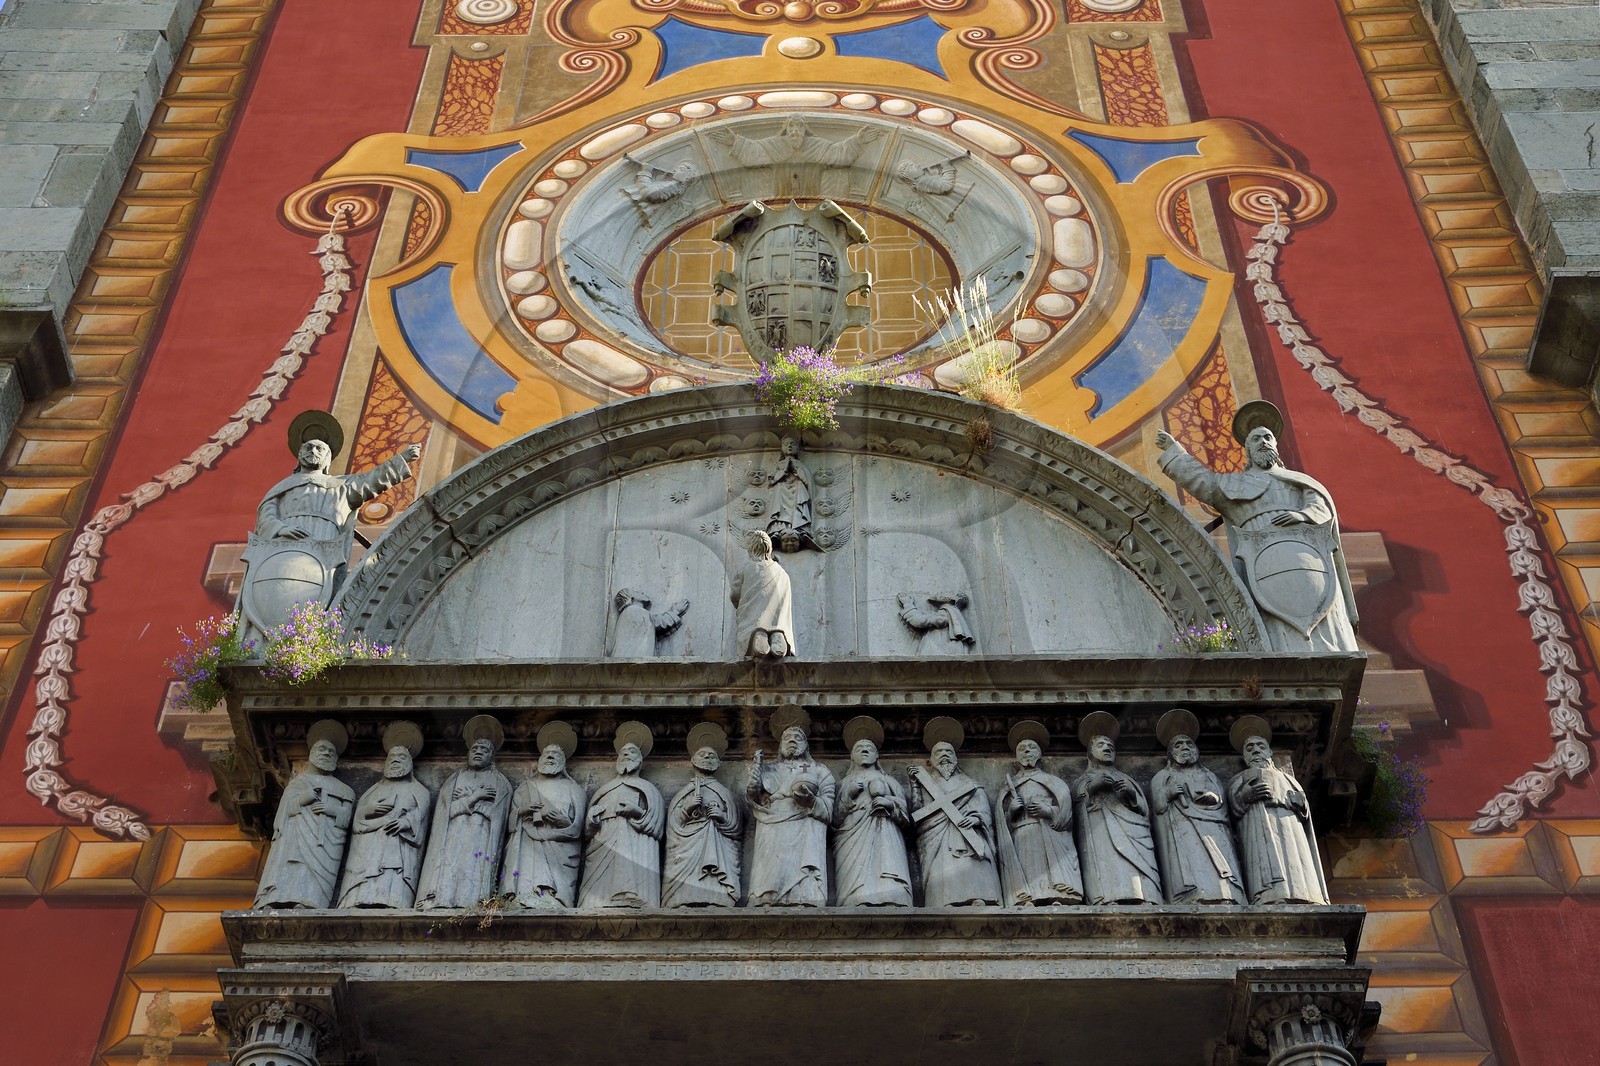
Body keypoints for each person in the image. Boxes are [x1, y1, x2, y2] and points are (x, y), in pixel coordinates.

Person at [1154, 401, 1356, 653]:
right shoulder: (1235, 485)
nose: (1263, 441)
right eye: (1256, 439)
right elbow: (1203, 482)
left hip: (1309, 562)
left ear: (1275, 444)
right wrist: (1175, 452)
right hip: (1261, 569)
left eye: (1268, 437)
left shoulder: (1301, 482)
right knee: (1272, 628)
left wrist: (1303, 516)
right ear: (1247, 450)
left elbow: (1321, 505)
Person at [1227, 719, 1328, 905]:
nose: (1255, 750)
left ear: (1270, 752)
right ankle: (1269, 896)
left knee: (1295, 859)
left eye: (1260, 746)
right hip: (1258, 826)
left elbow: (1304, 811)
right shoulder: (1239, 779)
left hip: (1289, 827)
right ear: (1243, 757)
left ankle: (1304, 894)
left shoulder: (1288, 778)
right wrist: (1246, 796)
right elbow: (1234, 805)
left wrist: (1301, 804)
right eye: (1249, 748)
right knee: (1264, 861)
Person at [416, 719, 512, 910]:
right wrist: (476, 798)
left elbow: (498, 820)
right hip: (452, 836)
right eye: (474, 749)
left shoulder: (500, 783)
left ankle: (473, 904)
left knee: (474, 867)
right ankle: (442, 899)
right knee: (450, 865)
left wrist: (467, 803)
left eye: (483, 751)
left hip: (481, 838)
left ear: (491, 757)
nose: (478, 752)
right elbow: (447, 812)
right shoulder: (454, 780)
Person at [1150, 710, 1244, 905]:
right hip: (1182, 828)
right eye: (1179, 745)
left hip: (1214, 827)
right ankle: (1191, 895)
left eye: (1189, 744)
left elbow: (1223, 804)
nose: (1185, 747)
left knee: (1221, 862)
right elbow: (1158, 808)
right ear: (1171, 754)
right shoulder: (1163, 777)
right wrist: (1167, 793)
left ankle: (1226, 894)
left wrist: (1215, 799)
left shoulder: (1209, 775)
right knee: (1190, 860)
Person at [254, 726, 355, 909]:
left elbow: (347, 817)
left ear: (337, 758)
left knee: (312, 871)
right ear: (311, 755)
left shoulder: (345, 790)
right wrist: (303, 798)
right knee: (291, 862)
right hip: (295, 835)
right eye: (321, 750)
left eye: (331, 751)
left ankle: (309, 901)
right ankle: (276, 900)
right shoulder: (299, 782)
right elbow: (284, 812)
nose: (326, 753)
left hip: (325, 843)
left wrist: (333, 810)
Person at [1073, 714, 1161, 905]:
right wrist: (1094, 786)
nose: (1107, 747)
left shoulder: (1126, 779)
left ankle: (1145, 897)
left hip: (1132, 831)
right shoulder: (1085, 779)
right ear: (1089, 754)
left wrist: (1131, 793)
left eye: (1110, 746)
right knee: (1110, 861)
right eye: (1101, 745)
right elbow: (1078, 800)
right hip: (1102, 829)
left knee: (1136, 866)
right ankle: (1110, 897)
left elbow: (1145, 811)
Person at [747, 724, 835, 906]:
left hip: (805, 824)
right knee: (771, 865)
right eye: (787, 738)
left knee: (803, 866)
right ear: (780, 745)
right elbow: (753, 799)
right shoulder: (768, 770)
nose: (792, 740)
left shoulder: (819, 771)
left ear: (806, 745)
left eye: (798, 737)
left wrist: (811, 801)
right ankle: (766, 899)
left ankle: (803, 898)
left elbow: (828, 808)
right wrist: (753, 784)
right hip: (772, 822)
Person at [337, 738, 431, 908]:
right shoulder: (372, 790)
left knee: (392, 877)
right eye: (391, 757)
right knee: (361, 887)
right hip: (367, 851)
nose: (395, 760)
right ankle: (356, 901)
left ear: (410, 764)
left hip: (397, 848)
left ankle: (392, 902)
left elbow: (420, 818)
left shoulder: (419, 791)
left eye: (401, 757)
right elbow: (358, 822)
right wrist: (368, 810)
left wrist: (406, 822)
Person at [994, 725, 1082, 907]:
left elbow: (1067, 814)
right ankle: (1028, 898)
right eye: (1021, 748)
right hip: (1022, 833)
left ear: (1040, 754)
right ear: (1016, 757)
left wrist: (1048, 810)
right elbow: (1000, 825)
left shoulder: (1053, 782)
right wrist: (1011, 811)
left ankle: (1057, 895)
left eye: (1032, 747)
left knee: (1049, 866)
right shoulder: (1010, 786)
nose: (1027, 750)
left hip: (1048, 833)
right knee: (1027, 865)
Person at [909, 734, 1000, 907]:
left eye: (948, 751)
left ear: (956, 758)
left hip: (965, 831)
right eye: (938, 752)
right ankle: (943, 901)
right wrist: (914, 785)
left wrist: (975, 818)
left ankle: (977, 896)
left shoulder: (970, 784)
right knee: (942, 865)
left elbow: (983, 809)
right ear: (931, 759)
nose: (944, 754)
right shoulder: (926, 783)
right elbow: (917, 812)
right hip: (936, 834)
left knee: (969, 861)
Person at [502, 730, 588, 909]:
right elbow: (509, 825)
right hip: (528, 846)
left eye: (555, 755)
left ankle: (552, 897)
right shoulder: (525, 788)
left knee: (552, 894)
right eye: (546, 754)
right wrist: (522, 811)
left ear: (563, 763)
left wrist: (561, 821)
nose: (550, 757)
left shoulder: (574, 790)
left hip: (559, 849)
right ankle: (523, 894)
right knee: (526, 884)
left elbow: (577, 829)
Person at [579, 731, 665, 909]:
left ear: (640, 761)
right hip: (604, 842)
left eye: (632, 752)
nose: (626, 754)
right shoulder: (605, 790)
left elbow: (656, 825)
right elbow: (587, 832)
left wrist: (638, 812)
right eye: (622, 752)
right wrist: (592, 817)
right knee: (596, 897)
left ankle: (633, 896)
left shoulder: (648, 790)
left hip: (635, 845)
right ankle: (596, 901)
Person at [663, 725, 742, 908]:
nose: (707, 758)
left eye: (711, 756)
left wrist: (722, 817)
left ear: (719, 763)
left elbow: (736, 827)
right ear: (692, 760)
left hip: (716, 843)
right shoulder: (684, 793)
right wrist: (687, 809)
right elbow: (673, 826)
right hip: (688, 847)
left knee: (714, 872)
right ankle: (682, 899)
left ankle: (718, 899)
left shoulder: (725, 794)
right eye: (702, 755)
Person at [833, 725, 912, 908]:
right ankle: (857, 899)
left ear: (877, 756)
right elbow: (835, 819)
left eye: (870, 748)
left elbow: (906, 818)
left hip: (886, 832)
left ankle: (892, 899)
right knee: (856, 877)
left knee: (887, 865)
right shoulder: (843, 784)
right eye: (859, 749)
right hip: (852, 836)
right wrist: (849, 795)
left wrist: (890, 803)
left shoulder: (889, 781)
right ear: (852, 756)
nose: (865, 751)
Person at [730, 531, 795, 660]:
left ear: (751, 548)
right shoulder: (782, 572)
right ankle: (778, 636)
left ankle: (758, 637)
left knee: (755, 624)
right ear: (769, 548)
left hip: (753, 614)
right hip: (777, 614)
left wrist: (738, 601)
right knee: (777, 623)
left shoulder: (746, 568)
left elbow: (735, 595)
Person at [766, 436, 813, 547]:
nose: (789, 446)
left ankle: (800, 528)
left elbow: (808, 481)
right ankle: (777, 530)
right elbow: (771, 481)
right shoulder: (778, 465)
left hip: (798, 489)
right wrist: (784, 471)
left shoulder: (801, 465)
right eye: (786, 444)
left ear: (797, 448)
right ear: (782, 448)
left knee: (798, 506)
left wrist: (797, 471)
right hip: (781, 490)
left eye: (793, 444)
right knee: (779, 507)